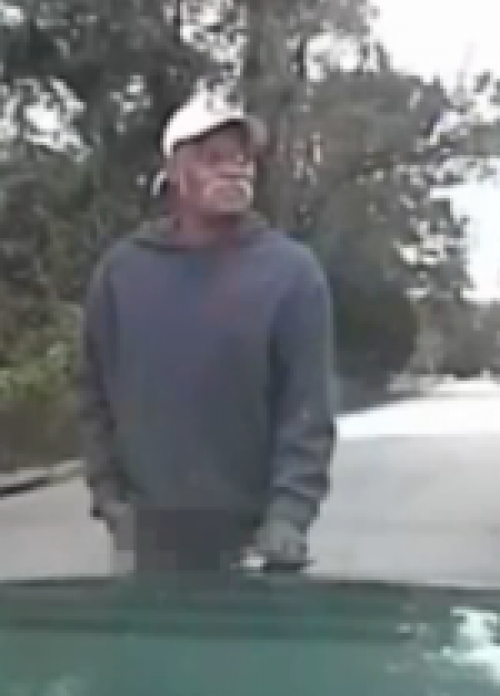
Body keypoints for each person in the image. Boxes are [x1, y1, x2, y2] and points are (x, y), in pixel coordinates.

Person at [77, 89, 336, 574]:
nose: (235, 170)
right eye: (214, 158)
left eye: (242, 159)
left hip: (257, 540)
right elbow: (94, 395)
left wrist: (289, 517)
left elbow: (307, 409)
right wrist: (110, 501)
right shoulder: (122, 273)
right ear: (175, 171)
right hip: (145, 538)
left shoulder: (291, 273)